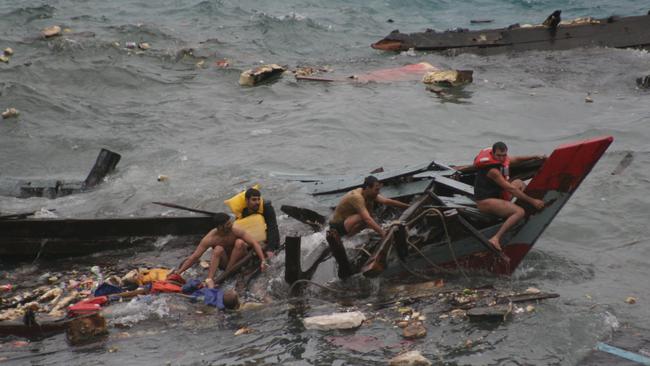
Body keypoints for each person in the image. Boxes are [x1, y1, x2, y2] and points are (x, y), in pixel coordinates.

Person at [473, 142, 546, 251]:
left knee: (519, 182)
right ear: (492, 154)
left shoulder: (502, 160)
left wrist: (535, 156)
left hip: (497, 196)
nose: (502, 158)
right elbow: (510, 189)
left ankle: (517, 215)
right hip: (485, 202)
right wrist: (532, 201)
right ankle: (495, 238)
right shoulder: (493, 171)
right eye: (498, 155)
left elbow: (515, 159)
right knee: (519, 212)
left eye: (504, 155)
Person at [173, 214, 268, 288]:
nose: (231, 225)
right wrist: (179, 272)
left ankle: (227, 273)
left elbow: (255, 243)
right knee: (218, 249)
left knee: (239, 242)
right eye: (228, 224)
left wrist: (263, 260)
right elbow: (195, 257)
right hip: (225, 262)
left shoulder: (235, 230)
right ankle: (210, 278)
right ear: (220, 227)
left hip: (239, 259)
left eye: (230, 222)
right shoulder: (210, 238)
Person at [329, 175, 410, 238]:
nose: (378, 192)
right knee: (365, 217)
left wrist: (409, 207)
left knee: (369, 218)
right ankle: (346, 237)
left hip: (348, 222)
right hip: (337, 227)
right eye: (376, 190)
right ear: (368, 188)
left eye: (379, 189)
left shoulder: (370, 194)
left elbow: (387, 201)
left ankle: (351, 235)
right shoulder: (357, 197)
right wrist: (383, 233)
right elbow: (367, 219)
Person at [240, 188, 280, 257]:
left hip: (268, 238)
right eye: (254, 199)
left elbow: (272, 228)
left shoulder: (267, 208)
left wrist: (270, 249)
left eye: (258, 199)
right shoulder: (243, 212)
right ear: (246, 201)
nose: (257, 202)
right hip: (253, 239)